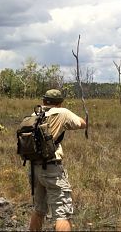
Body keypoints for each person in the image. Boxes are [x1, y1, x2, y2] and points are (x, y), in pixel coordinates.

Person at [29, 89, 86, 231]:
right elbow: (82, 123)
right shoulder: (62, 112)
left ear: (43, 101)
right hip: (52, 169)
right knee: (62, 213)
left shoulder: (35, 114)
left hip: (34, 168)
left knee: (39, 209)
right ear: (60, 103)